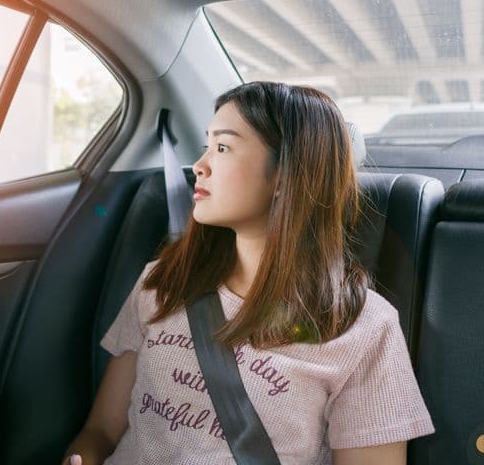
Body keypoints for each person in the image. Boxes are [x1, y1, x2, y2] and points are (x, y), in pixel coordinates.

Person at [62, 82, 435, 464]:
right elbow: (102, 431)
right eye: (206, 145)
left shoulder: (364, 329)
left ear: (284, 176)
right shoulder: (162, 281)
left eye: (222, 148)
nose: (200, 165)